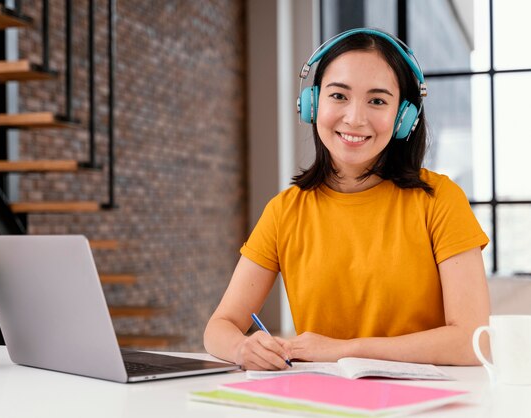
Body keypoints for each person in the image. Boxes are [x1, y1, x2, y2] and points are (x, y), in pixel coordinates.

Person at [204, 28, 490, 370]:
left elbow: (473, 341)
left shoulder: (440, 201)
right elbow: (219, 327)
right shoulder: (285, 210)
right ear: (313, 103)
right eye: (339, 96)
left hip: (424, 400)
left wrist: (343, 349)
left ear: (404, 118)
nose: (354, 118)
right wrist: (242, 348)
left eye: (378, 100)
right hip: (322, 398)